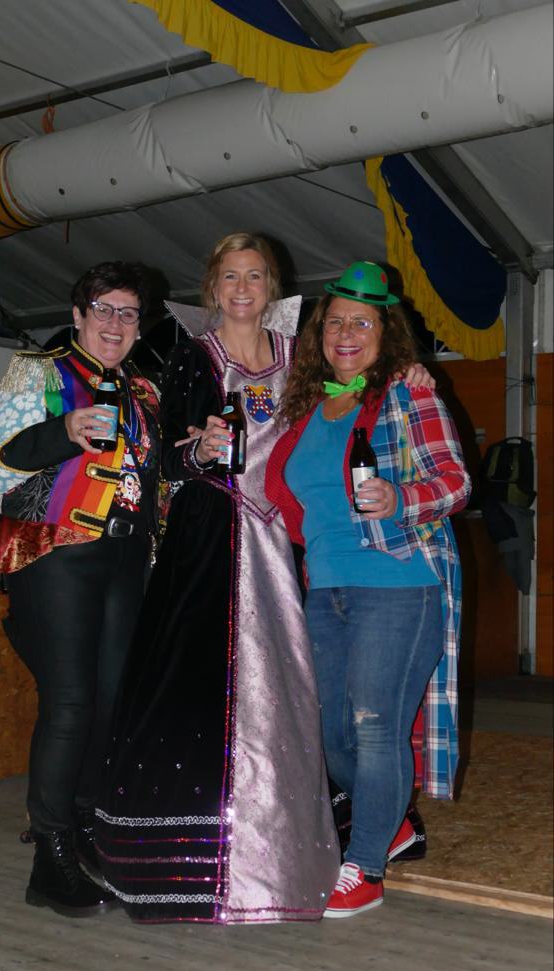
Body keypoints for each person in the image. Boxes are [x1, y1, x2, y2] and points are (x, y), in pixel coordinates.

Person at [96, 236, 432, 924]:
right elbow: (164, 459)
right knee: (213, 691)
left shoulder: (300, 354)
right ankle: (220, 851)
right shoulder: (191, 356)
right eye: (230, 276)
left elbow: (360, 372)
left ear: (272, 287)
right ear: (212, 287)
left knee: (315, 696)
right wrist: (198, 451)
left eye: (255, 275)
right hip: (212, 541)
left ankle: (366, 824)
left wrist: (409, 370)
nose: (243, 288)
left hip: (299, 540)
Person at [266, 260, 471, 919]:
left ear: (387, 334)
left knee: (376, 729)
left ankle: (367, 867)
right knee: (330, 737)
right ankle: (394, 821)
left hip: (397, 583)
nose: (346, 334)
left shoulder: (409, 395)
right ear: (318, 335)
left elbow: (456, 482)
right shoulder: (306, 406)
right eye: (335, 323)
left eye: (361, 323)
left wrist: (399, 498)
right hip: (324, 589)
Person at [0, 261, 162, 917]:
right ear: (78, 316)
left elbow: (153, 477)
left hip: (126, 557)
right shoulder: (39, 372)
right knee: (71, 702)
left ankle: (84, 833)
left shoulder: (145, 390)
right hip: (56, 552)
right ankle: (49, 857)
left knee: (110, 703)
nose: (115, 323)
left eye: (128, 313)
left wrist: (196, 450)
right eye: (103, 309)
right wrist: (63, 431)